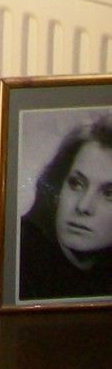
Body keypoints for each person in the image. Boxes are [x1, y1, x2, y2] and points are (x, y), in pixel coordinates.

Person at [19, 113, 112, 302]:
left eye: (109, 194)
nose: (83, 206)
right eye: (76, 184)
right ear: (58, 187)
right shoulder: (20, 256)